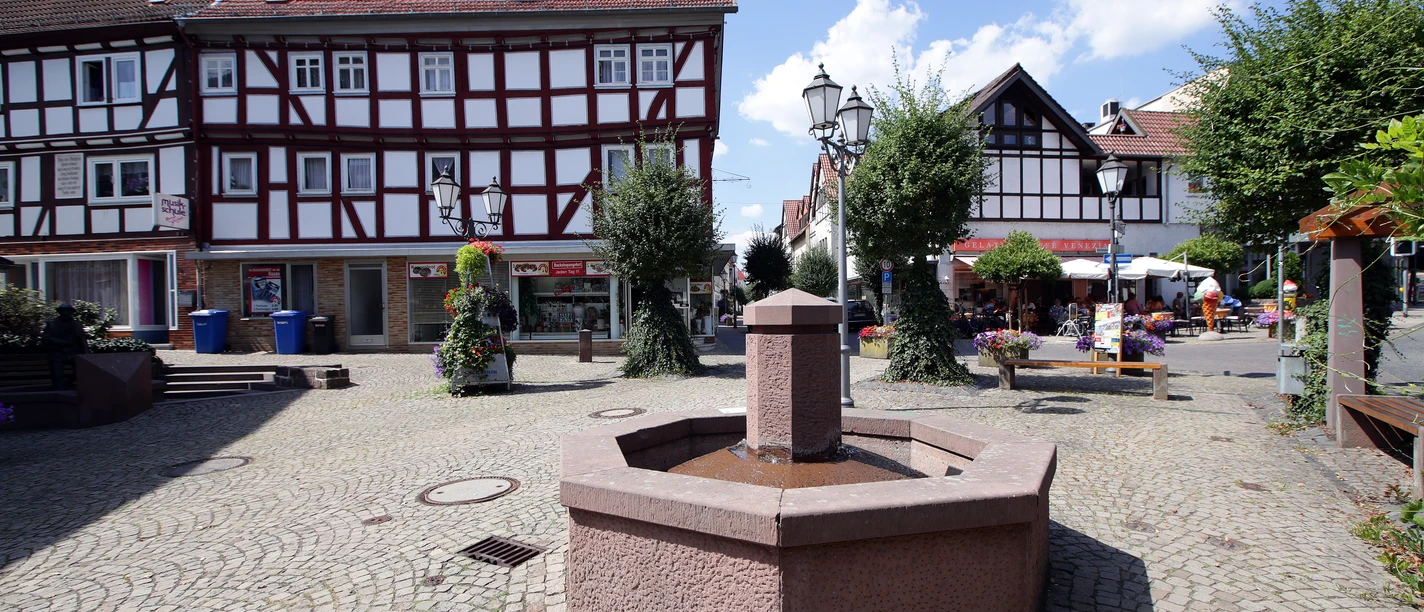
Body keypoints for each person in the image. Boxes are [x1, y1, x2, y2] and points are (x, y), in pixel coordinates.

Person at [41, 302, 88, 391]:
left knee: (82, 369)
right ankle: (59, 389)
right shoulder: (52, 324)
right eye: (64, 311)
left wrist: (86, 354)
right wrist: (61, 342)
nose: (66, 313)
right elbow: (46, 338)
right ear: (60, 312)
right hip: (57, 353)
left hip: (73, 352)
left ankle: (67, 383)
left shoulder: (77, 325)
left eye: (68, 311)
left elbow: (82, 339)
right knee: (57, 374)